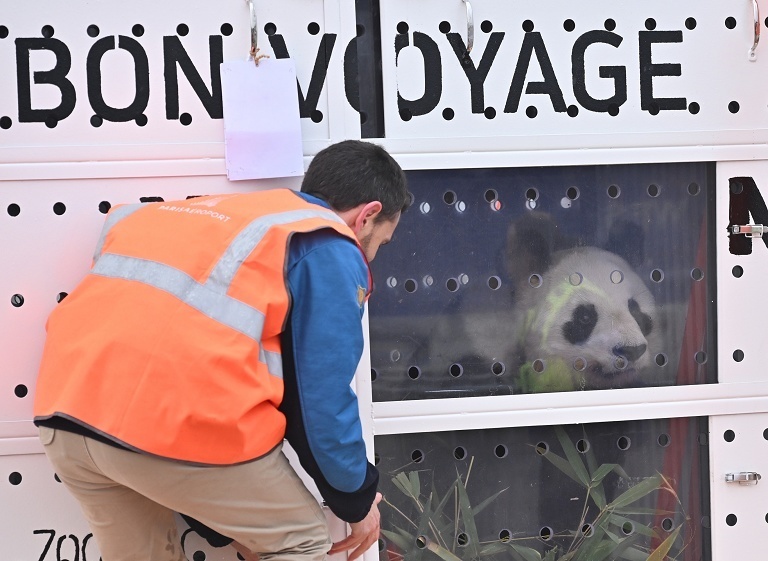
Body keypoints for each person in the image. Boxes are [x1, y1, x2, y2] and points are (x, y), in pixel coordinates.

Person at [33, 140, 410, 561]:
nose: (372, 255)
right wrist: (355, 501)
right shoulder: (325, 243)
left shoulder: (208, 216)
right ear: (368, 215)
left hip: (66, 415)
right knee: (300, 540)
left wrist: (219, 526)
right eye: (381, 243)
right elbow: (320, 397)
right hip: (168, 429)